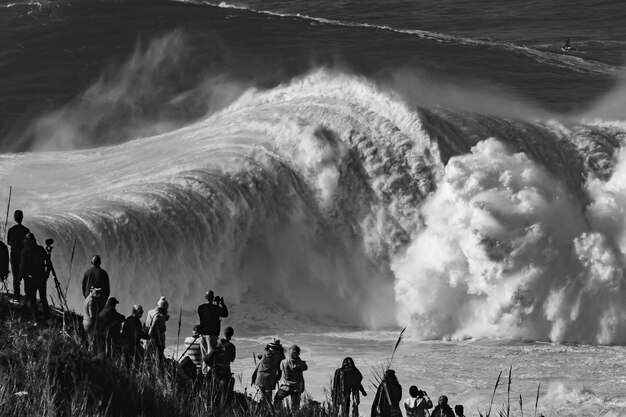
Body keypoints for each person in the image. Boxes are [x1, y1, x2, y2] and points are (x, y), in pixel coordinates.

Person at [19, 233, 50, 322]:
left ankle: (36, 318)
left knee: (33, 299)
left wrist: (19, 279)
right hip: (41, 277)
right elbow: (48, 262)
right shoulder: (40, 249)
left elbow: (22, 267)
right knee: (43, 297)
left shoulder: (24, 251)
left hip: (31, 279)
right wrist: (46, 275)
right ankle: (46, 316)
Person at [204, 326, 236, 409]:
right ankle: (222, 411)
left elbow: (206, 359)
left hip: (215, 371)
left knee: (211, 392)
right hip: (225, 372)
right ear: (231, 335)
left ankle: (209, 409)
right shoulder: (232, 347)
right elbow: (232, 359)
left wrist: (212, 365)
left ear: (223, 333)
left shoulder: (217, 343)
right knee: (223, 393)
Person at [197, 290, 228, 373]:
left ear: (205, 298)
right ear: (213, 298)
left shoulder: (201, 308)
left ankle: (204, 373)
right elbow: (225, 314)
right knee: (211, 355)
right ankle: (210, 375)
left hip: (202, 334)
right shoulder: (216, 308)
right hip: (212, 335)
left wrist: (216, 305)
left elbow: (207, 315)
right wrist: (221, 303)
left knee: (204, 355)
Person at [252, 339, 285, 408]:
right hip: (270, 377)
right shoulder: (280, 355)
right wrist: (278, 378)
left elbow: (259, 356)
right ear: (278, 347)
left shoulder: (265, 352)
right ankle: (266, 410)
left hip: (260, 376)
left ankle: (260, 409)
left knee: (262, 394)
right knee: (268, 396)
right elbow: (280, 368)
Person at [274, 345, 308, 411]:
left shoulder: (284, 362)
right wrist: (299, 360)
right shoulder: (301, 364)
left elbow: (281, 368)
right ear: (298, 353)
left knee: (277, 399)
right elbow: (306, 368)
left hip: (285, 386)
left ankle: (279, 413)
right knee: (295, 407)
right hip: (297, 387)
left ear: (290, 352)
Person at [7, 210, 30, 302]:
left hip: (14, 256)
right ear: (22, 218)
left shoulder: (11, 230)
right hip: (24, 256)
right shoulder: (26, 230)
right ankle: (28, 296)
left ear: (14, 218)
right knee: (25, 276)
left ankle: (16, 297)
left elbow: (8, 242)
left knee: (15, 276)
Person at [145, 296, 170, 368]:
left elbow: (149, 324)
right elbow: (162, 329)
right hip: (157, 341)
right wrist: (163, 320)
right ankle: (157, 374)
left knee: (148, 358)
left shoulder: (150, 312)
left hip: (148, 339)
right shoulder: (160, 316)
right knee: (158, 361)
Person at [83, 287, 102, 351]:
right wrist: (96, 326)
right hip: (90, 324)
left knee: (88, 340)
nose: (98, 294)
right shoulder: (92, 301)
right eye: (96, 292)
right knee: (92, 342)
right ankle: (91, 354)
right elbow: (92, 315)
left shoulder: (87, 298)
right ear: (91, 291)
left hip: (85, 322)